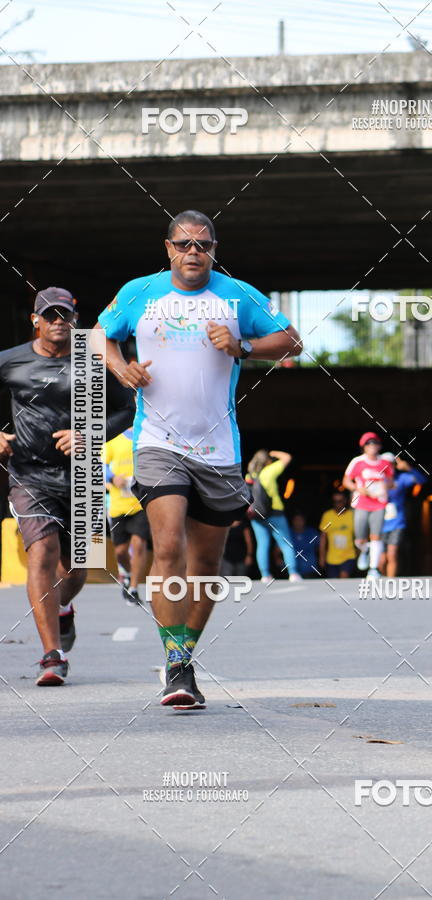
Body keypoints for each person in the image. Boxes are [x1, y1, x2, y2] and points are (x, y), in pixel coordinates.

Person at [95, 209, 302, 708]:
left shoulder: (238, 296)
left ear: (214, 249)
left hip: (219, 450)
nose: (194, 252)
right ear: (168, 248)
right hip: (158, 442)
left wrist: (243, 345)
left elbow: (292, 341)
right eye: (184, 244)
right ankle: (175, 666)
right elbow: (99, 334)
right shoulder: (139, 292)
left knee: (207, 564)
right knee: (167, 547)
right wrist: (120, 367)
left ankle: (186, 654)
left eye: (203, 245)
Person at [0, 288, 134, 685]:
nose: (59, 321)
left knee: (79, 566)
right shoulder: (10, 360)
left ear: (76, 318)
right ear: (35, 319)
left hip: (85, 475)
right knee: (42, 552)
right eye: (50, 315)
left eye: (66, 315)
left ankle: (59, 609)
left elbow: (128, 409)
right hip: (30, 474)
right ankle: (51, 655)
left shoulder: (94, 357)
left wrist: (90, 434)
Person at [104, 427, 151, 606]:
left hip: (140, 504)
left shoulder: (146, 437)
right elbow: (100, 465)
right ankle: (128, 573)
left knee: (139, 545)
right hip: (118, 505)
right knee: (121, 551)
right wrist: (112, 477)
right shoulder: (113, 439)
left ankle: (133, 588)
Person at [343, 432, 394, 579]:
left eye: (374, 443)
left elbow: (390, 481)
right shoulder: (357, 462)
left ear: (379, 446)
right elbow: (346, 481)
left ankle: (373, 569)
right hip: (362, 503)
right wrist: (358, 489)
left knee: (376, 536)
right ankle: (364, 551)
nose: (372, 446)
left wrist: (385, 486)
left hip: (379, 503)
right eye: (368, 444)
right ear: (363, 447)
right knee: (360, 538)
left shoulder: (384, 463)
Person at [246, 449, 302, 583]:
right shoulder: (269, 471)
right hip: (275, 512)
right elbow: (287, 457)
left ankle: (265, 575)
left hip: (256, 514)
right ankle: (293, 573)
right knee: (285, 544)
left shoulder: (249, 476)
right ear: (267, 461)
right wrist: (274, 453)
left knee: (262, 544)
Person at [380, 452, 427, 577]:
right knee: (381, 559)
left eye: (391, 464)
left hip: (397, 523)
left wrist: (409, 468)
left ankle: (390, 583)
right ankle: (381, 580)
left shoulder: (401, 479)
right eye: (385, 465)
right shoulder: (375, 479)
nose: (388, 467)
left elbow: (422, 480)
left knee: (392, 555)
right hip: (378, 523)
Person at [318, 489, 356, 578]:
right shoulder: (327, 516)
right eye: (335, 502)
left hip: (348, 556)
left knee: (344, 577)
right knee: (334, 583)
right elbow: (323, 537)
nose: (337, 504)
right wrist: (321, 557)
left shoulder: (352, 515)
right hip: (332, 558)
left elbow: (359, 535)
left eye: (340, 501)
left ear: (345, 501)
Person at [290, 511, 319, 577]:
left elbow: (320, 548)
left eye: (300, 520)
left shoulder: (312, 532)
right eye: (296, 520)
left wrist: (320, 560)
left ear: (304, 521)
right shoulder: (288, 533)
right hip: (293, 573)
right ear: (292, 521)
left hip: (311, 571)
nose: (298, 522)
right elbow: (278, 550)